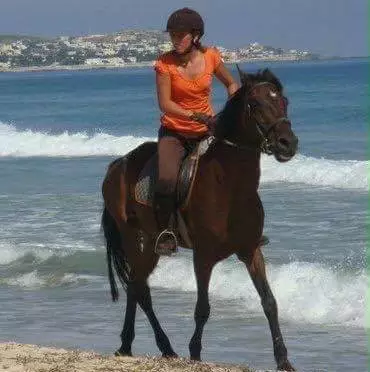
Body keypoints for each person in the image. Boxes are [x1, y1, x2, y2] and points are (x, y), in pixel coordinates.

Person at [153, 7, 239, 255]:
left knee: (234, 171)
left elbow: (231, 83)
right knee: (167, 178)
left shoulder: (211, 56)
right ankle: (166, 232)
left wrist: (230, 104)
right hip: (175, 133)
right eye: (172, 35)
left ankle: (241, 227)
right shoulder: (164, 64)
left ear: (196, 36)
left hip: (206, 132)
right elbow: (165, 104)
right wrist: (194, 115)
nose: (175, 39)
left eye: (181, 35)